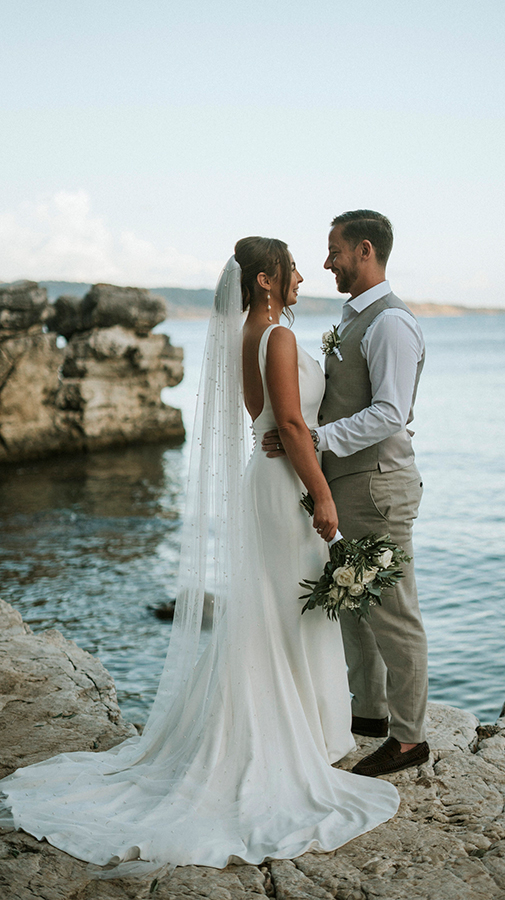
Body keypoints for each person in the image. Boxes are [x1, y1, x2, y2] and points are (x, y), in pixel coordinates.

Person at [0, 239, 398, 875]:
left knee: (272, 605)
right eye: (293, 267)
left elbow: (262, 416)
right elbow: (291, 425)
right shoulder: (280, 336)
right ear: (265, 279)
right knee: (287, 607)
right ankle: (290, 735)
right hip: (288, 487)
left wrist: (287, 437)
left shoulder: (248, 334)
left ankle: (288, 725)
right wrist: (323, 495)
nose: (303, 275)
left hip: (266, 480)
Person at [263, 211, 429, 778]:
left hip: (379, 484)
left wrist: (314, 439)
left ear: (364, 250)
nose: (327, 262)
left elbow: (390, 413)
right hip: (348, 484)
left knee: (394, 613)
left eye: (334, 251)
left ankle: (409, 738)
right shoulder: (355, 318)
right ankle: (371, 715)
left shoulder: (392, 324)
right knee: (355, 605)